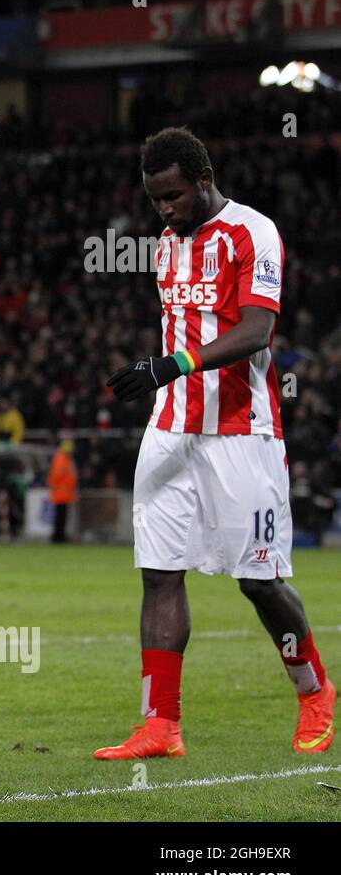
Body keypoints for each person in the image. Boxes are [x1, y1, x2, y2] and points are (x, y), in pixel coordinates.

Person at [98, 127, 333, 760]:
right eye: (155, 201)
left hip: (242, 434)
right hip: (170, 430)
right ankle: (160, 725)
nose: (165, 211)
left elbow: (256, 332)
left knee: (258, 582)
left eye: (173, 196)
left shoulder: (253, 233)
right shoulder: (166, 245)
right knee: (159, 574)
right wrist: (165, 380)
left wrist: (169, 366)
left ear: (204, 179)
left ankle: (314, 692)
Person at [48, 439, 77, 543]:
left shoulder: (64, 459)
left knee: (62, 517)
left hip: (64, 494)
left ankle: (59, 535)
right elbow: (57, 476)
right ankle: (58, 536)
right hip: (61, 494)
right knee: (60, 517)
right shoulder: (62, 459)